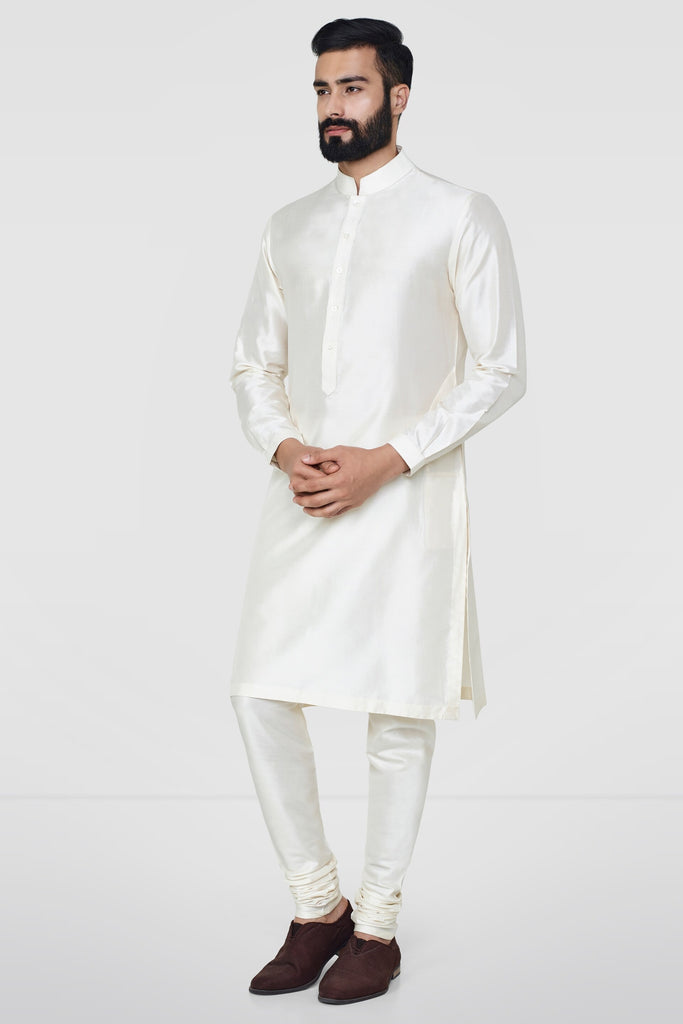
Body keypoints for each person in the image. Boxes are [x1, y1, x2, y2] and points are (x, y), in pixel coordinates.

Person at [229, 17, 526, 1005]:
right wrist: (286, 448)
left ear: (397, 97)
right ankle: (316, 905)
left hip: (408, 491)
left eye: (351, 88)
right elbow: (252, 365)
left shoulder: (458, 214)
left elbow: (498, 368)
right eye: (321, 90)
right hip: (304, 490)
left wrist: (387, 458)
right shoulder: (288, 225)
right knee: (260, 693)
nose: (332, 107)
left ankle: (378, 926)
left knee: (397, 708)